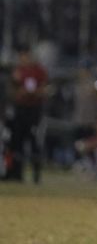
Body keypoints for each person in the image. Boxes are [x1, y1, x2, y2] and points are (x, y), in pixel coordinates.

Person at [8, 45, 48, 183]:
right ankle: (16, 174)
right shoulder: (18, 71)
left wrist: (32, 93)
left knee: (34, 142)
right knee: (17, 142)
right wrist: (20, 91)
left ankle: (36, 176)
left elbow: (44, 90)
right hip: (20, 109)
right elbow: (12, 92)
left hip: (34, 110)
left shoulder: (39, 71)